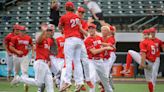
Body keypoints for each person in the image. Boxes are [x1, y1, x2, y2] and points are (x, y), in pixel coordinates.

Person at [10, 24, 54, 92]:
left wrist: (49, 60)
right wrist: (43, 31)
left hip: (45, 64)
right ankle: (19, 79)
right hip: (40, 62)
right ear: (45, 32)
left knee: (50, 82)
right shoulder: (41, 39)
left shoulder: (49, 40)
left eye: (51, 31)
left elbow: (47, 52)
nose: (50, 32)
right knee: (38, 82)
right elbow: (38, 40)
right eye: (49, 31)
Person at [58, 1, 84, 92]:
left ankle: (67, 81)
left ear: (66, 8)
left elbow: (59, 27)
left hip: (70, 39)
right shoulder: (77, 17)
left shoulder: (64, 17)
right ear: (73, 8)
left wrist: (63, 30)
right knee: (77, 61)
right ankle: (80, 81)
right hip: (78, 40)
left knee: (68, 61)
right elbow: (78, 27)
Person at [84, 23, 113, 92]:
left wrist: (108, 44)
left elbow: (100, 43)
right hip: (91, 61)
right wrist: (106, 48)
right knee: (92, 78)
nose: (91, 30)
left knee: (105, 79)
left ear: (95, 29)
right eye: (89, 28)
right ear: (88, 30)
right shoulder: (87, 40)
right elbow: (94, 52)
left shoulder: (98, 37)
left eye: (92, 28)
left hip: (100, 60)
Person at [9, 25, 34, 92]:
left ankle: (26, 84)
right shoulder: (14, 38)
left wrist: (33, 53)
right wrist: (17, 51)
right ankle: (16, 82)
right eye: (21, 30)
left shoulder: (28, 38)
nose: (22, 32)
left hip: (25, 56)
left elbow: (32, 45)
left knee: (24, 71)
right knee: (16, 71)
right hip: (16, 56)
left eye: (24, 30)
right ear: (19, 31)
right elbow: (10, 47)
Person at [76, 6, 94, 89]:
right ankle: (79, 82)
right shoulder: (71, 19)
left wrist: (80, 28)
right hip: (72, 42)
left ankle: (87, 79)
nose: (81, 13)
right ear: (77, 12)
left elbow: (87, 34)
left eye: (82, 12)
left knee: (85, 61)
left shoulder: (83, 22)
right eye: (79, 12)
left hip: (81, 41)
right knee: (75, 63)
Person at [101, 25, 116, 91]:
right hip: (105, 56)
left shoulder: (111, 38)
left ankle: (105, 87)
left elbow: (109, 45)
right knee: (106, 72)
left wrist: (99, 43)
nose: (111, 31)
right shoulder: (103, 37)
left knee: (106, 72)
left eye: (112, 30)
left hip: (111, 55)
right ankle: (110, 84)